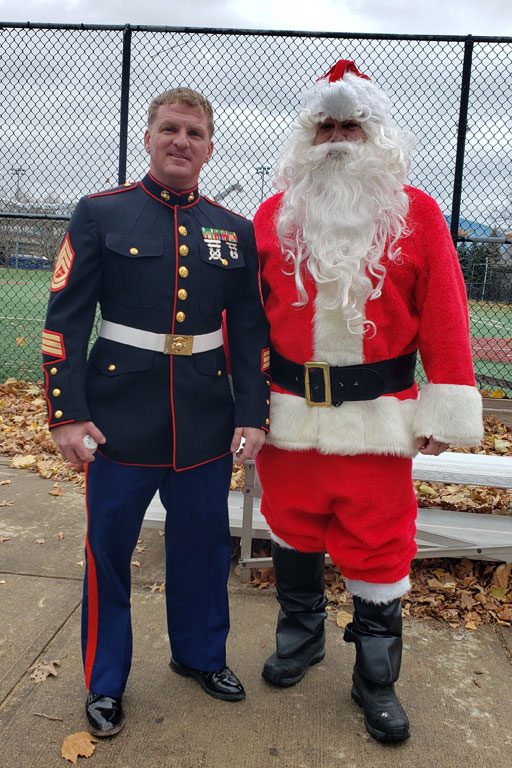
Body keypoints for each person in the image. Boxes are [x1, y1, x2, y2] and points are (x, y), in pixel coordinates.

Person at [253, 60, 483, 743]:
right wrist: (241, 403)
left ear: (376, 133)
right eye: (325, 125)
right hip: (287, 416)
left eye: (351, 124)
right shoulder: (273, 215)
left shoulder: (418, 214)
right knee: (290, 527)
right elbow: (247, 319)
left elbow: (444, 313)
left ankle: (375, 678)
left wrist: (444, 409)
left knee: (380, 547)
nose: (338, 136)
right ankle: (301, 640)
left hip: (380, 421)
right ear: (307, 137)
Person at [42, 87, 270, 737]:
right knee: (109, 552)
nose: (181, 141)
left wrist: (251, 416)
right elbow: (64, 323)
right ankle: (105, 680)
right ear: (147, 138)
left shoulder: (233, 229)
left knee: (200, 547)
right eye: (170, 128)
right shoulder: (101, 214)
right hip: (117, 417)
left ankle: (199, 655)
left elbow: (251, 332)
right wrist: (65, 414)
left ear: (209, 147)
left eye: (194, 132)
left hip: (204, 415)